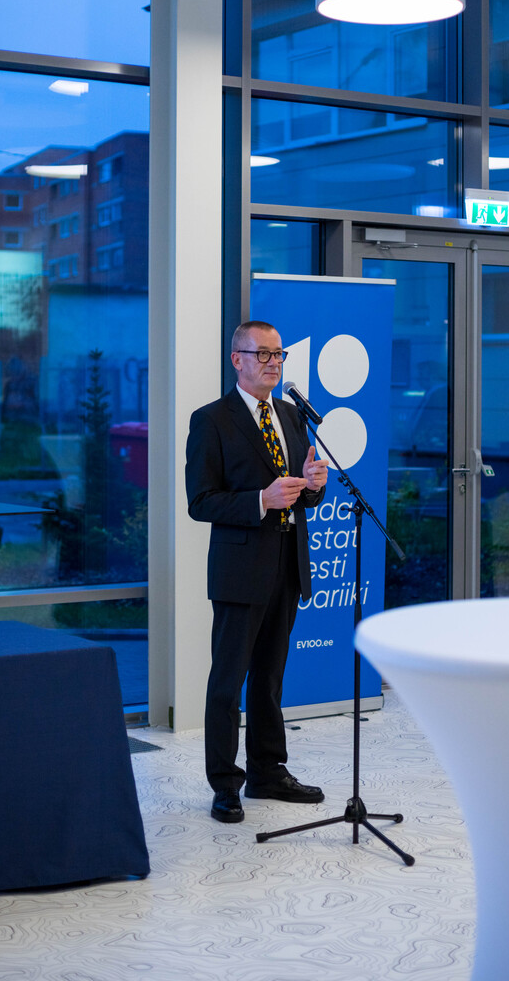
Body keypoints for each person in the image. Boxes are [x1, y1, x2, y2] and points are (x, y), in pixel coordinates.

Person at [185, 320, 329, 823]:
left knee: (269, 679)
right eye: (262, 354)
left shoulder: (290, 415)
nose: (273, 363)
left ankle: (268, 772)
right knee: (228, 683)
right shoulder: (211, 420)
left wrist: (314, 485)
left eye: (278, 354)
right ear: (237, 360)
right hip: (239, 571)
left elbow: (302, 495)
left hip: (287, 566)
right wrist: (260, 500)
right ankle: (225, 784)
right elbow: (201, 502)